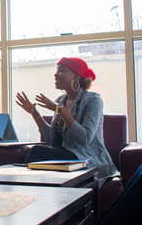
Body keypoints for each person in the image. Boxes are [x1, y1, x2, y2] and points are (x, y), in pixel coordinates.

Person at [16, 57, 117, 186]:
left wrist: (60, 110)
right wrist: (34, 112)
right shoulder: (61, 100)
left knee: (37, 151)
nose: (55, 74)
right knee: (37, 154)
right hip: (66, 157)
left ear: (76, 75)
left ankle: (21, 189)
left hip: (86, 159)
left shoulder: (93, 100)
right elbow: (52, 136)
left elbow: (85, 138)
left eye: (61, 70)